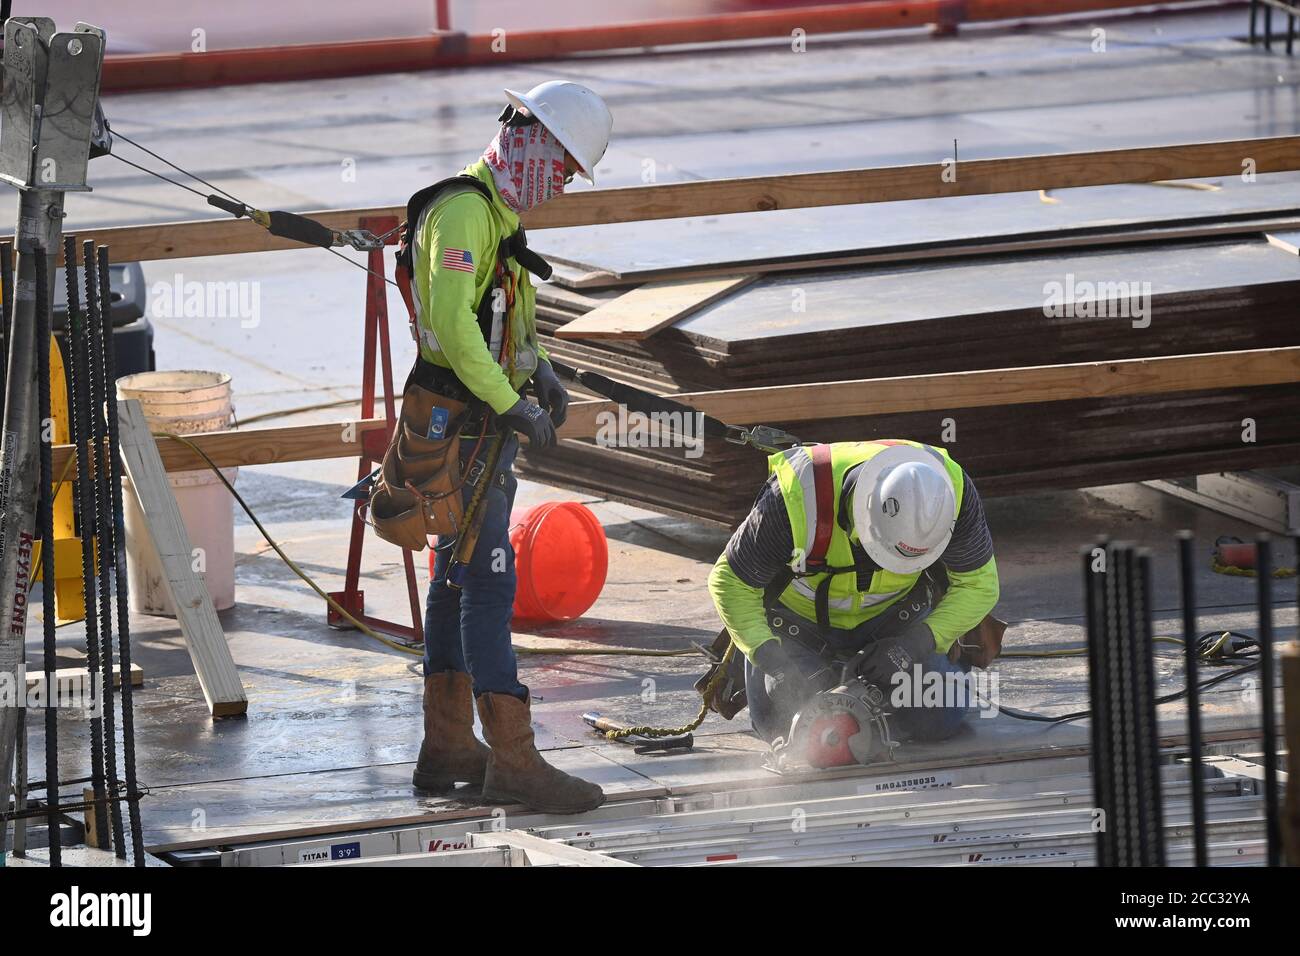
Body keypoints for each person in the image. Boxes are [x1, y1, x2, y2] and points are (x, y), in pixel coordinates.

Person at [410, 81, 611, 814]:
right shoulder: (465, 213)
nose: (560, 185)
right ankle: (515, 760)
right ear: (529, 138)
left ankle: (449, 747)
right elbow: (455, 330)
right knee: (489, 583)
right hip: (467, 425)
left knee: (454, 581)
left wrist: (541, 369)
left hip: (468, 421)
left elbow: (497, 314)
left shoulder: (494, 215)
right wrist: (512, 406)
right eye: (561, 167)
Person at [708, 440, 1000, 749]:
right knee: (784, 726)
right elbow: (730, 582)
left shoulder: (951, 491)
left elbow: (979, 585)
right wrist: (774, 661)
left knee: (937, 717)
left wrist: (914, 645)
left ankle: (879, 702)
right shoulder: (794, 497)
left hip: (896, 621)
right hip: (796, 628)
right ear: (862, 511)